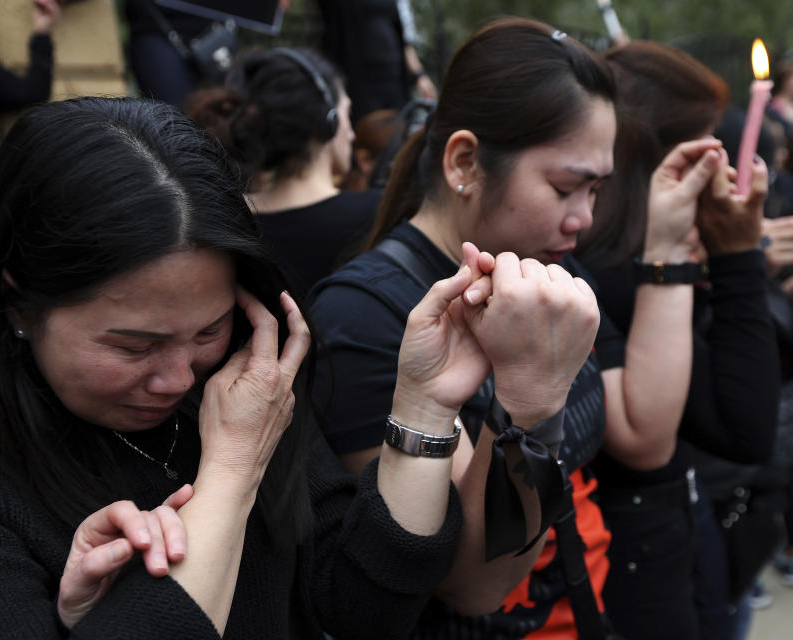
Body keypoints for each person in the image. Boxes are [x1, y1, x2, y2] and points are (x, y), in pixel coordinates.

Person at [0, 95, 565, 638]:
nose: (178, 378)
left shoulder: (241, 386)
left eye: (207, 329)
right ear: (18, 303)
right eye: (134, 347)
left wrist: (424, 407)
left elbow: (366, 607)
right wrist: (233, 468)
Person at [311, 18, 736, 638]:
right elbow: (474, 582)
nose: (583, 219)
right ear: (464, 161)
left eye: (596, 189)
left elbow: (644, 431)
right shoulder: (369, 316)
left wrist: (668, 251)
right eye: (566, 187)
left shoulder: (545, 268)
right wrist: (529, 406)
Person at [574, 41, 778, 640]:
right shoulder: (609, 266)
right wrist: (737, 261)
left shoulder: (625, 254)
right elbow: (742, 425)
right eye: (711, 146)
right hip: (634, 566)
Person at [187, 47, 380, 293]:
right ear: (328, 120)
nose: (351, 134)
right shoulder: (377, 213)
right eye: (347, 114)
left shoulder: (225, 220)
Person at [316, 0, 436, 122]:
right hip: (359, 83)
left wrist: (420, 75)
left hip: (394, 80)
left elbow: (405, 37)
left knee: (398, 131)